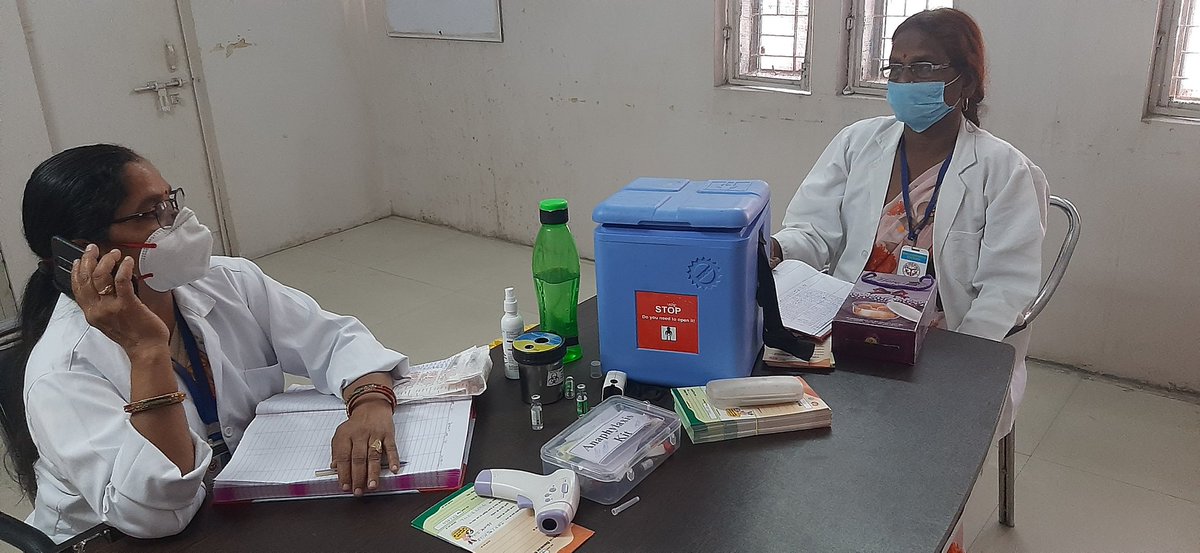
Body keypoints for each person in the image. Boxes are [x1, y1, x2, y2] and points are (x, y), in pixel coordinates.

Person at [0, 144, 409, 543]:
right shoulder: (63, 369)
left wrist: (369, 404)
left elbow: (337, 341)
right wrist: (147, 353)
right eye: (148, 213)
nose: (177, 222)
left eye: (170, 202)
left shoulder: (227, 280)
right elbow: (154, 513)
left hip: (239, 505)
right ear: (80, 252)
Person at [770, 8, 1047, 434]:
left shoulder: (1006, 171)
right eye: (895, 69)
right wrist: (774, 249)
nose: (903, 83)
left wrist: (956, 361)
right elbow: (813, 233)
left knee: (906, 442)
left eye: (922, 68)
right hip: (849, 325)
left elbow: (1006, 289)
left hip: (946, 343)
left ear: (967, 82)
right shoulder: (857, 143)